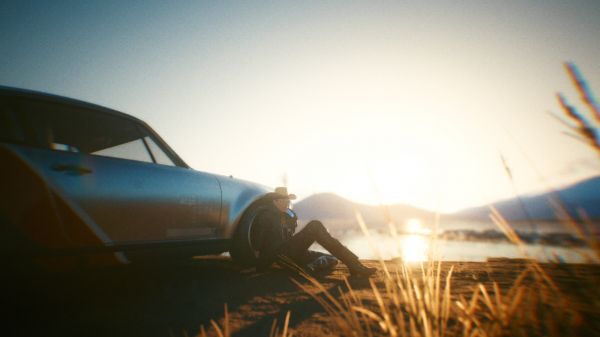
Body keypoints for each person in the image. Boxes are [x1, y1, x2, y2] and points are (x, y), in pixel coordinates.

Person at [254, 187, 377, 277]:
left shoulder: (286, 216)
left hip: (290, 252)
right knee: (315, 225)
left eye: (288, 200)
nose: (288, 203)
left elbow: (289, 237)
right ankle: (353, 264)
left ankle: (310, 268)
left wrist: (291, 219)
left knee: (332, 258)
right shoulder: (266, 215)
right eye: (284, 200)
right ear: (275, 201)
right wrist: (261, 264)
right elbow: (258, 243)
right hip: (280, 254)